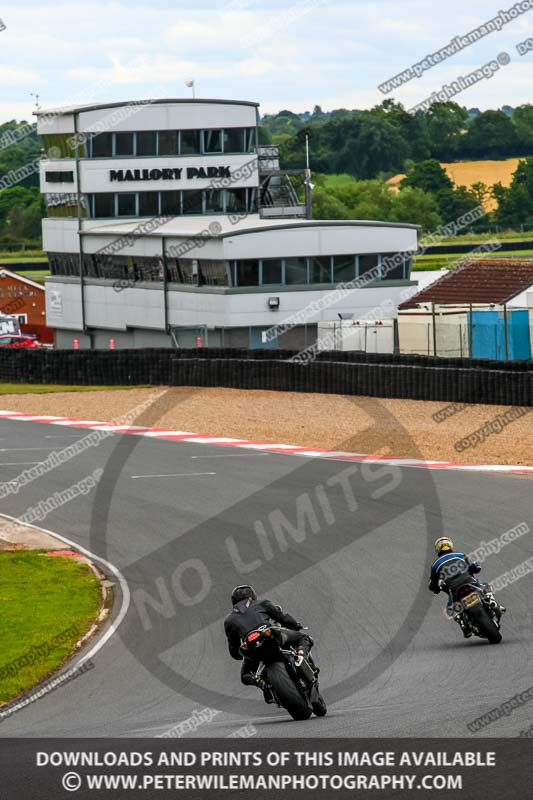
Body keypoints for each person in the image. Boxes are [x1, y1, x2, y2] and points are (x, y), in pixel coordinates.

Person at [224, 584, 316, 700]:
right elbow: (282, 617)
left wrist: (239, 654)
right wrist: (295, 625)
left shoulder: (229, 620)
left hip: (252, 648)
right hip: (270, 636)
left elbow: (234, 649)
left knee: (245, 676)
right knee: (304, 638)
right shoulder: (262, 603)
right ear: (252, 596)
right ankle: (301, 657)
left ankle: (259, 681)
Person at [429, 537, 505, 637]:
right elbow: (473, 567)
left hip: (454, 589)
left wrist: (436, 588)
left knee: (451, 608)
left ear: (437, 549)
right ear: (450, 545)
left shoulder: (435, 565)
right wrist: (476, 567)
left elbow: (433, 584)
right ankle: (493, 602)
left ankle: (463, 624)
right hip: (470, 582)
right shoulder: (460, 555)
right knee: (485, 585)